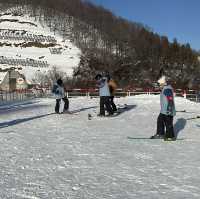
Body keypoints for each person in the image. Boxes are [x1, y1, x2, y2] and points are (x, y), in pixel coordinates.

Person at [150, 76, 176, 141]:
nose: (159, 86)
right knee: (160, 121)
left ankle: (170, 136)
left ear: (164, 83)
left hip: (168, 110)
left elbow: (170, 99)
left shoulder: (167, 89)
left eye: (160, 84)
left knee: (168, 123)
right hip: (163, 111)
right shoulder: (164, 88)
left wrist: (169, 109)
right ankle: (160, 134)